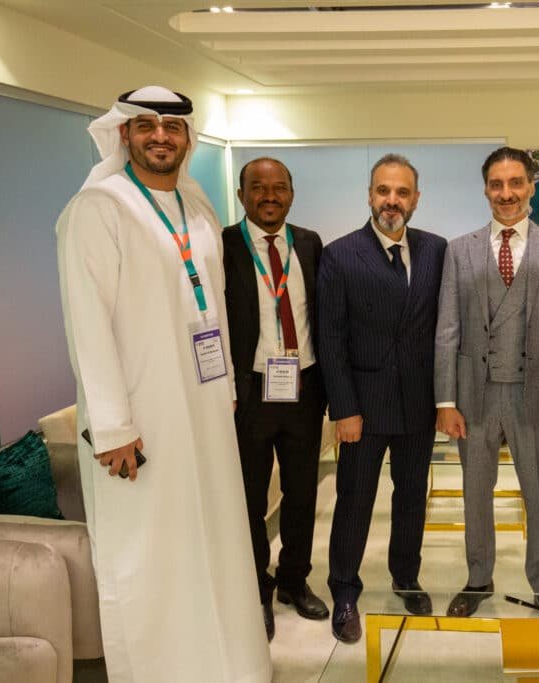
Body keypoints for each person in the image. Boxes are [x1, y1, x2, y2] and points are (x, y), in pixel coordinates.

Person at [55, 86, 271, 682]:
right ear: (123, 133)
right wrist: (113, 429)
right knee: (154, 551)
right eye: (146, 125)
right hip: (140, 424)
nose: (160, 136)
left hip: (203, 410)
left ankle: (231, 665)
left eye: (172, 127)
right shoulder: (98, 209)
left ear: (186, 138)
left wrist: (224, 382)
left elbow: (216, 309)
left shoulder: (196, 207)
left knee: (217, 536)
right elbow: (87, 325)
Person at [435, 146, 539, 619]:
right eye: (497, 184)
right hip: (474, 395)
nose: (506, 193)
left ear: (531, 188)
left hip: (536, 395)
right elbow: (447, 329)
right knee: (475, 493)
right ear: (485, 189)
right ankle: (478, 578)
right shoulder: (458, 250)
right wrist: (445, 399)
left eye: (515, 183)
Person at [318, 154, 447, 644]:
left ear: (415, 199)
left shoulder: (436, 251)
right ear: (369, 195)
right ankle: (345, 591)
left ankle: (405, 576)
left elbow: (444, 330)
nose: (391, 200)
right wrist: (344, 409)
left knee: (413, 496)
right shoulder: (340, 254)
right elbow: (330, 338)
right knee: (354, 501)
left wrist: (444, 401)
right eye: (383, 191)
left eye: (402, 192)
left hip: (418, 406)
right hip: (363, 410)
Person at [223, 157, 329, 641]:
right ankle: (255, 590)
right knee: (249, 497)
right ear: (242, 192)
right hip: (250, 394)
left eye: (279, 187)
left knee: (303, 492)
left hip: (303, 388)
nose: (270, 196)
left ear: (291, 193)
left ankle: (294, 580)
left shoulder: (308, 243)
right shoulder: (222, 245)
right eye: (258, 187)